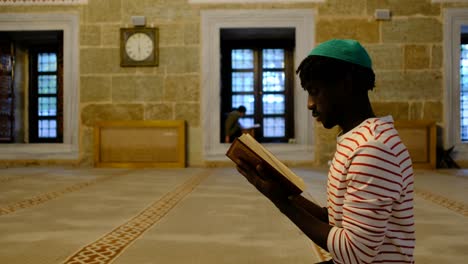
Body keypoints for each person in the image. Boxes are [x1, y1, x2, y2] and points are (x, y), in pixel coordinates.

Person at [235, 39, 415, 264]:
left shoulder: (373, 149)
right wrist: (284, 192)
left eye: (315, 91)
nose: (310, 104)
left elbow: (355, 253)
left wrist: (283, 203)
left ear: (346, 84)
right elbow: (335, 219)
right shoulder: (358, 139)